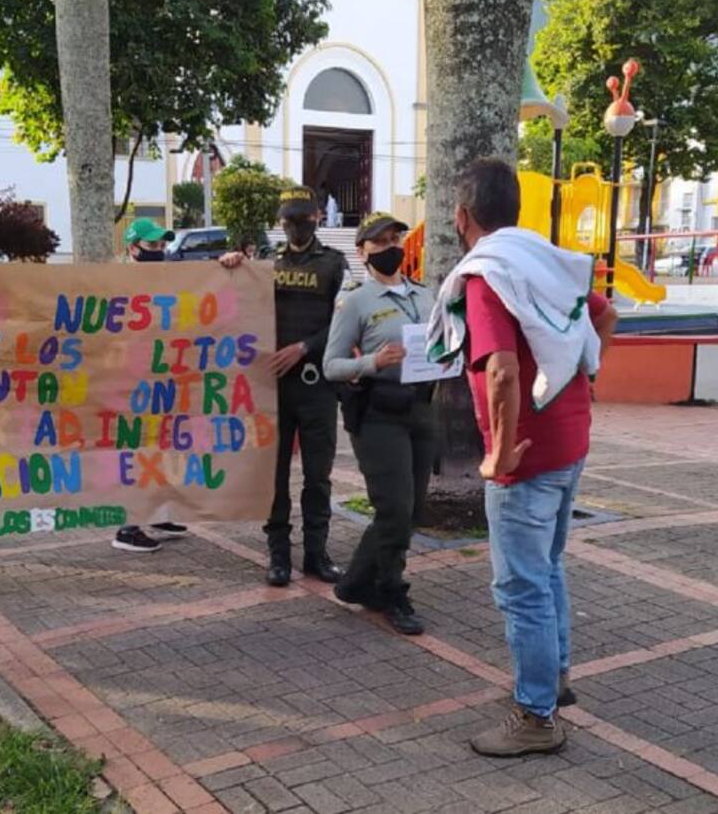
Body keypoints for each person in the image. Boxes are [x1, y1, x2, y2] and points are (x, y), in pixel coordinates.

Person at [426, 159, 618, 757]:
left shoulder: (488, 274)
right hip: (569, 441)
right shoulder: (542, 259)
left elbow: (502, 372)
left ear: (462, 216)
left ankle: (536, 717)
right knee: (547, 567)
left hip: (526, 458)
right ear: (514, 209)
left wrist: (501, 451)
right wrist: (585, 376)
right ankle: (553, 679)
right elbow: (605, 314)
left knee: (521, 586)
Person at [221, 187, 345, 586]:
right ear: (281, 222)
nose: (296, 227)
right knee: (274, 477)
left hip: (316, 385)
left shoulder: (334, 263)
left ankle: (316, 554)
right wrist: (232, 266)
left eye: (303, 219)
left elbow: (343, 323)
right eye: (289, 220)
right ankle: (278, 555)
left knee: (318, 476)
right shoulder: (265, 263)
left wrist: (304, 347)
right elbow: (237, 303)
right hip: (271, 389)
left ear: (317, 218)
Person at [324, 213, 435, 635]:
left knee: (412, 510)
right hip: (378, 413)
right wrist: (374, 361)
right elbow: (331, 365)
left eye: (395, 239)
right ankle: (390, 591)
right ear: (362, 252)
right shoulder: (356, 301)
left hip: (421, 408)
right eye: (380, 242)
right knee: (394, 509)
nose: (391, 248)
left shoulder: (425, 295)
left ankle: (356, 583)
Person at [108, 217, 191, 553]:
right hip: (130, 384)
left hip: (161, 381)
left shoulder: (162, 280)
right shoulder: (118, 284)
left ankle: (157, 514)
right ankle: (127, 529)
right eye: (152, 245)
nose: (160, 250)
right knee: (136, 452)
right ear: (133, 248)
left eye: (162, 245)